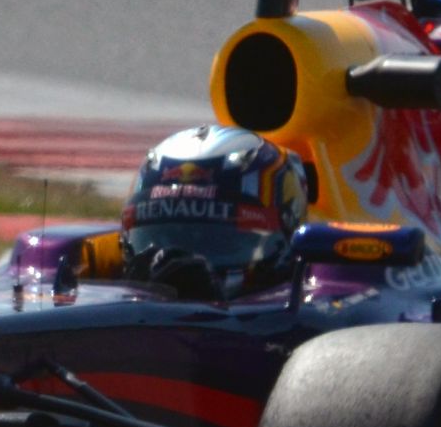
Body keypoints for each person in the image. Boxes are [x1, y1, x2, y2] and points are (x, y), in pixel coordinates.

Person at [118, 124, 310, 300]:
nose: (179, 273)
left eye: (218, 240)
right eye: (167, 236)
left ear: (289, 233)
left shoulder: (319, 310)